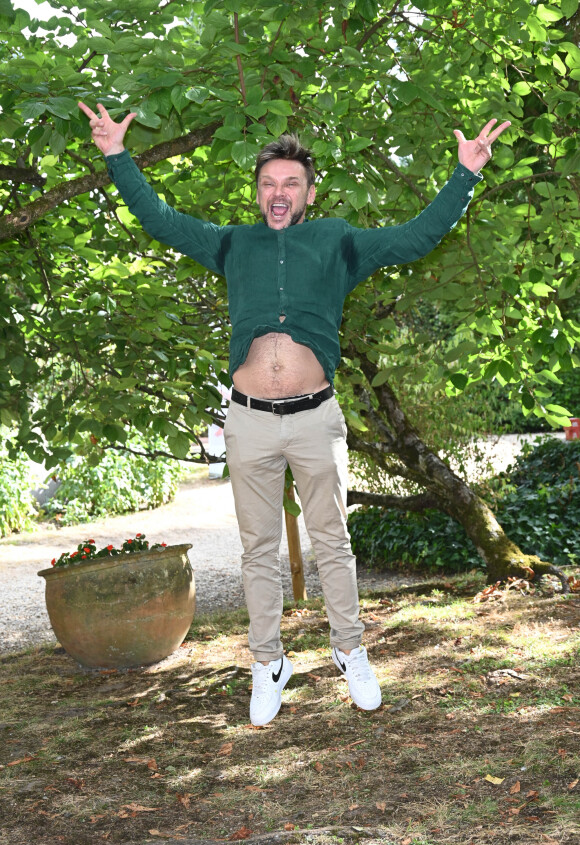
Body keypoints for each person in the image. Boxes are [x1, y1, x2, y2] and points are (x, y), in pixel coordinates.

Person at [78, 101, 510, 726]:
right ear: (257, 192)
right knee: (257, 549)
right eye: (268, 184)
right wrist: (117, 156)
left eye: (290, 183)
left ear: (310, 191)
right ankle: (266, 663)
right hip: (249, 420)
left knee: (332, 542)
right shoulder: (232, 244)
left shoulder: (336, 240)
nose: (278, 193)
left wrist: (465, 174)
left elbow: (417, 236)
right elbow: (162, 221)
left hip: (315, 418)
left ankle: (350, 650)